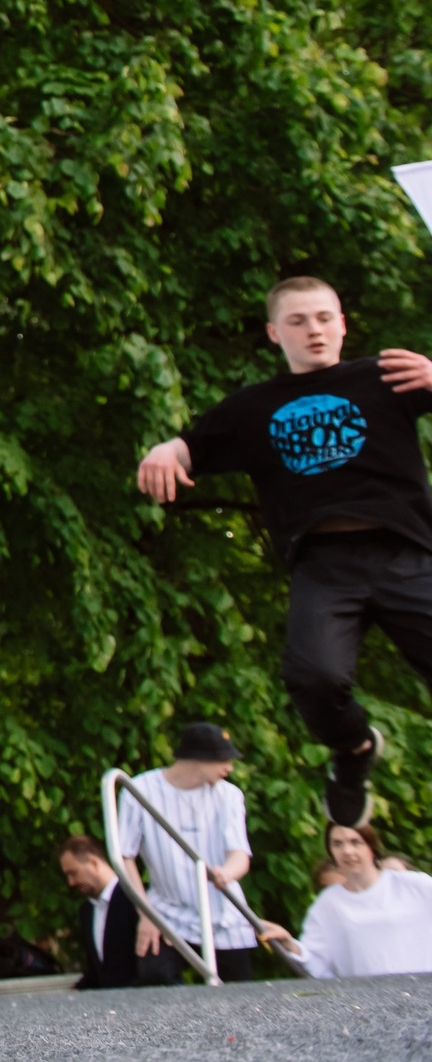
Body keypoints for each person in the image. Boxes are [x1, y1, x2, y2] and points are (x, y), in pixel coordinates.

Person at [137, 276, 432, 826]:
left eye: (324, 318)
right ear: (275, 333)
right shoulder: (254, 408)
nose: (314, 330)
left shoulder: (384, 377)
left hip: (406, 556)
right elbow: (193, 445)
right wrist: (164, 448)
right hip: (324, 567)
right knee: (314, 678)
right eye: (297, 321)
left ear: (342, 323)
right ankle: (354, 750)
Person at [113, 722, 260, 983]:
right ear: (199, 759)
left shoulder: (229, 795)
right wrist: (146, 914)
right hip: (167, 911)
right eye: (223, 760)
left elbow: (240, 854)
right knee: (156, 981)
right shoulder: (140, 790)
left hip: (223, 912)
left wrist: (226, 873)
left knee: (240, 994)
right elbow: (124, 856)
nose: (229, 768)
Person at [262, 822, 432, 977]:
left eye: (355, 842)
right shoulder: (328, 904)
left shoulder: (413, 885)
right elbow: (315, 961)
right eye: (337, 844)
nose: (347, 851)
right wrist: (288, 943)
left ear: (371, 846)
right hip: (367, 1001)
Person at [60, 834, 148, 989]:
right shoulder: (86, 912)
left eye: (73, 873)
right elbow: (97, 972)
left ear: (94, 862)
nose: (71, 882)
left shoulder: (133, 898)